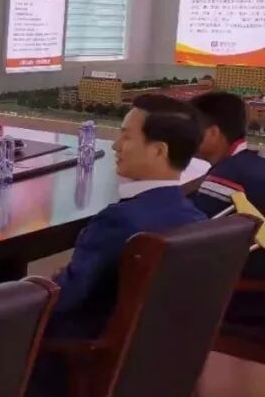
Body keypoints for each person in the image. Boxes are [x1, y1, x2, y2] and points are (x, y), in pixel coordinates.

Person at [49, 94, 205, 338]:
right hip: (153, 349)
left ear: (159, 150)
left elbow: (64, 298)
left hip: (79, 348)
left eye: (127, 136)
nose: (116, 145)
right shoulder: (197, 219)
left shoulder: (119, 220)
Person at [188, 91, 265, 326]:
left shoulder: (225, 178)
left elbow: (190, 239)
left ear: (212, 133)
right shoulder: (253, 165)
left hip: (245, 300)